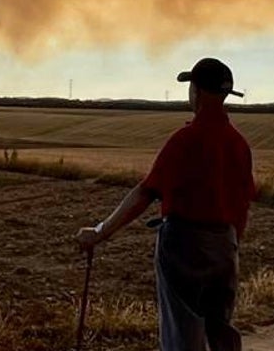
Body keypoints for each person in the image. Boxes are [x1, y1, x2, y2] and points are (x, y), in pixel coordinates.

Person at [76, 57, 257, 351]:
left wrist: (100, 232)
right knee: (221, 332)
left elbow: (145, 193)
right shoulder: (239, 144)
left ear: (196, 91)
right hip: (225, 246)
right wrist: (231, 244)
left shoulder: (186, 140)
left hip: (184, 245)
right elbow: (243, 204)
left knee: (182, 334)